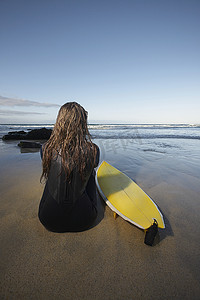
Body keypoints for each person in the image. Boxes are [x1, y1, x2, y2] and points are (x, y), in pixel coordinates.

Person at [38, 102, 99, 232]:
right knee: (91, 172)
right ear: (82, 123)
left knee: (51, 172)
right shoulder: (93, 149)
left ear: (59, 121)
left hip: (48, 219)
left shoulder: (46, 148)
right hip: (85, 220)